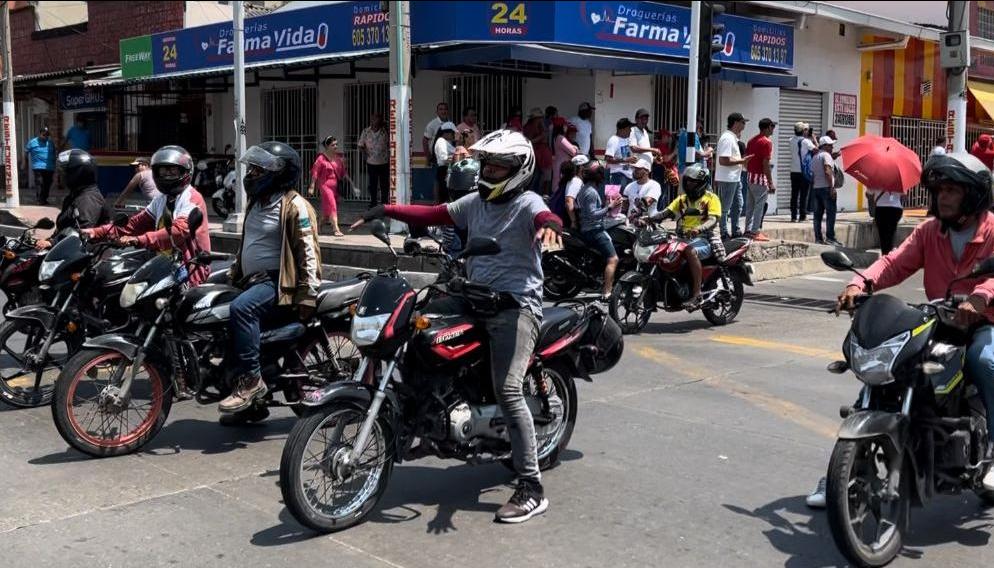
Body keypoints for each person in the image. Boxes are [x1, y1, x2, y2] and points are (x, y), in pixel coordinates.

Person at [352, 129, 563, 524]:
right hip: (471, 295)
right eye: (487, 164)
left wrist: (551, 225)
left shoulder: (527, 202)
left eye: (498, 166)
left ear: (518, 170)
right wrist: (387, 209)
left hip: (514, 307)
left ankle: (531, 486)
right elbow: (432, 214)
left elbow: (545, 215)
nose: (489, 171)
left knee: (509, 389)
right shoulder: (475, 203)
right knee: (417, 332)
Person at [808, 151, 994, 508]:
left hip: (983, 322)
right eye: (938, 190)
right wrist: (860, 284)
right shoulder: (930, 232)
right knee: (892, 368)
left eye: (952, 190)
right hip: (940, 320)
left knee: (984, 361)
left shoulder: (992, 231)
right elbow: (894, 262)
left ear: (973, 194)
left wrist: (982, 297)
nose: (942, 196)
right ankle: (843, 472)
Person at [217, 142, 322, 418]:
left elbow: (308, 251)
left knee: (242, 309)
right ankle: (250, 405)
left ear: (278, 173)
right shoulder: (256, 202)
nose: (250, 174)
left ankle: (252, 381)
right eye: (251, 168)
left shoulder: (294, 205)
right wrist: (231, 273)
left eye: (257, 169)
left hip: (278, 283)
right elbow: (248, 244)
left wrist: (308, 294)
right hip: (251, 280)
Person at [83, 145, 212, 286]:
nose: (167, 175)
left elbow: (178, 231)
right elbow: (134, 224)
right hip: (163, 265)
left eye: (173, 170)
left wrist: (138, 240)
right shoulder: (162, 199)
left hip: (189, 270)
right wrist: (95, 232)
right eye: (162, 171)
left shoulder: (192, 198)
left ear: (186, 172)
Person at [646, 163, 722, 309]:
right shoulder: (681, 199)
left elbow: (713, 219)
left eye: (693, 182)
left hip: (705, 239)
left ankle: (697, 294)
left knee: (689, 251)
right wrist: (647, 218)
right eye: (687, 181)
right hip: (682, 238)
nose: (689, 184)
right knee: (660, 249)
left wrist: (698, 229)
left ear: (702, 183)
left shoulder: (711, 198)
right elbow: (665, 213)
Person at [35, 149, 110, 250]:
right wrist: (50, 240)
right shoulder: (75, 195)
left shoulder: (88, 199)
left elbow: (81, 231)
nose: (61, 175)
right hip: (69, 251)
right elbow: (64, 229)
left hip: (87, 256)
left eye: (64, 172)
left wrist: (52, 242)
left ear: (77, 173)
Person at [576, 161, 622, 300]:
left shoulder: (586, 189)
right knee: (613, 259)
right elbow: (592, 214)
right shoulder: (590, 192)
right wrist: (609, 206)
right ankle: (607, 292)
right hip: (594, 230)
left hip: (588, 228)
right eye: (601, 174)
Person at [715, 113, 752, 239]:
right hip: (727, 178)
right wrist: (742, 161)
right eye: (743, 122)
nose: (744, 125)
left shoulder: (732, 138)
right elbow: (723, 160)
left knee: (738, 204)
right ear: (736, 123)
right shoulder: (727, 138)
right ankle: (724, 232)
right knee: (725, 207)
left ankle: (735, 230)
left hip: (734, 177)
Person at [308, 136, 351, 236]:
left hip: (335, 187)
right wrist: (312, 186)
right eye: (333, 145)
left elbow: (344, 173)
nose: (335, 146)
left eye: (336, 144)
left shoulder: (337, 158)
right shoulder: (321, 158)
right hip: (325, 186)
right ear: (327, 146)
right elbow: (315, 172)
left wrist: (353, 185)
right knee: (332, 206)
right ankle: (336, 229)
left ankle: (318, 225)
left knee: (327, 212)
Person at [744, 118, 777, 241]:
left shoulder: (751, 140)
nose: (773, 129)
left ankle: (748, 230)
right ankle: (755, 232)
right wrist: (770, 182)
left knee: (750, 206)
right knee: (759, 206)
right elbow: (765, 164)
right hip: (759, 178)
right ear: (768, 127)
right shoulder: (766, 142)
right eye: (772, 126)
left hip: (750, 176)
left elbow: (746, 159)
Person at [811, 136, 841, 246]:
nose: (832, 147)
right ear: (825, 146)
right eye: (830, 145)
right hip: (826, 188)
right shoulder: (826, 155)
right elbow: (828, 171)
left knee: (817, 215)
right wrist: (832, 188)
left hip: (816, 188)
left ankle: (818, 238)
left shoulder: (815, 157)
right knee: (831, 214)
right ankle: (830, 238)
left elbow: (813, 175)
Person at [358, 112, 389, 208]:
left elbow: (390, 143)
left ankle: (384, 202)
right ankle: (373, 202)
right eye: (372, 119)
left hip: (384, 162)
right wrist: (365, 156)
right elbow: (360, 145)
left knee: (384, 184)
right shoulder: (366, 132)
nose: (373, 121)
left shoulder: (385, 131)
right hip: (371, 162)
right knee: (373, 184)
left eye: (375, 119)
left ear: (380, 120)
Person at [790, 122, 816, 223]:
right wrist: (813, 139)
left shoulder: (790, 140)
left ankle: (793, 217)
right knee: (804, 194)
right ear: (803, 131)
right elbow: (816, 150)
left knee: (794, 194)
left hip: (793, 171)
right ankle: (802, 216)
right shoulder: (806, 142)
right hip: (803, 171)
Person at [523, 108, 553, 194]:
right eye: (539, 117)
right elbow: (528, 141)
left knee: (544, 178)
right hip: (534, 155)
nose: (541, 119)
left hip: (542, 155)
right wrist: (541, 137)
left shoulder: (541, 126)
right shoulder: (529, 127)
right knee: (535, 177)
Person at [23, 127, 56, 205]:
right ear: (40, 134)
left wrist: (55, 164)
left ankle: (44, 199)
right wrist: (24, 162)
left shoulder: (50, 142)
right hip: (38, 167)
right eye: (44, 135)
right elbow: (26, 152)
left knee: (47, 184)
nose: (46, 137)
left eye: (47, 135)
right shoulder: (32, 142)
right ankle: (39, 199)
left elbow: (54, 153)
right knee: (40, 182)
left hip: (49, 167)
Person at [868, 189, 904, 255]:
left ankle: (885, 255)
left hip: (881, 209)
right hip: (896, 209)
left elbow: (869, 194)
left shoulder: (876, 180)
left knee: (882, 235)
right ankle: (889, 255)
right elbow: (904, 195)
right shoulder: (899, 182)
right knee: (891, 234)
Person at [606, 118, 637, 187]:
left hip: (628, 174)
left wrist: (631, 161)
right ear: (623, 129)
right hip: (617, 175)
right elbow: (608, 159)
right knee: (619, 197)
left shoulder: (626, 139)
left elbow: (625, 157)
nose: (630, 130)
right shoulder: (613, 140)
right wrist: (625, 160)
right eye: (629, 128)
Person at [551, 118, 579, 192]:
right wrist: (575, 147)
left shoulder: (556, 137)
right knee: (560, 187)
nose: (566, 127)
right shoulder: (560, 137)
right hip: (562, 165)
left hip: (559, 164)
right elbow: (573, 152)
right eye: (565, 125)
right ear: (561, 127)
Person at [433, 122, 457, 203]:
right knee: (444, 196)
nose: (454, 135)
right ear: (447, 132)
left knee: (446, 196)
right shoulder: (441, 141)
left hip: (446, 170)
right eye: (453, 133)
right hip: (444, 170)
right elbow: (444, 158)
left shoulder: (446, 142)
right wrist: (456, 158)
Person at [654, 130, 680, 203]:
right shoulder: (660, 146)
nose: (669, 138)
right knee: (661, 193)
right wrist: (675, 152)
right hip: (660, 172)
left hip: (663, 172)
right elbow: (666, 159)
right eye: (667, 137)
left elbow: (669, 160)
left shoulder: (665, 146)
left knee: (664, 193)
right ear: (663, 137)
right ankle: (659, 211)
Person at [564, 154, 588, 228]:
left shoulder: (577, 180)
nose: (587, 168)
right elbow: (568, 200)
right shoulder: (576, 181)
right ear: (581, 167)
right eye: (586, 165)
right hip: (575, 218)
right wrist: (573, 221)